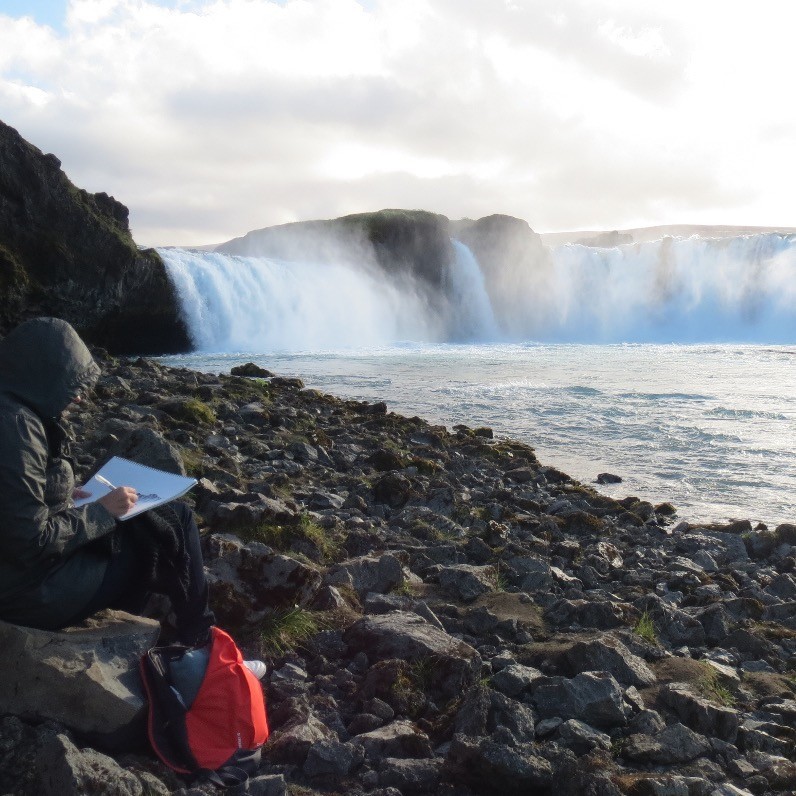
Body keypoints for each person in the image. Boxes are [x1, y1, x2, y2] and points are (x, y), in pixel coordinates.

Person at [0, 317, 264, 675]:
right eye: (70, 383)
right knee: (168, 524)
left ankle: (162, 643)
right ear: (43, 374)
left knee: (149, 525)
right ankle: (203, 654)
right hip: (27, 593)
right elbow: (29, 540)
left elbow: (15, 507)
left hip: (20, 578)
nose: (77, 395)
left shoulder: (14, 411)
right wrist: (101, 512)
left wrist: (63, 500)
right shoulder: (17, 428)